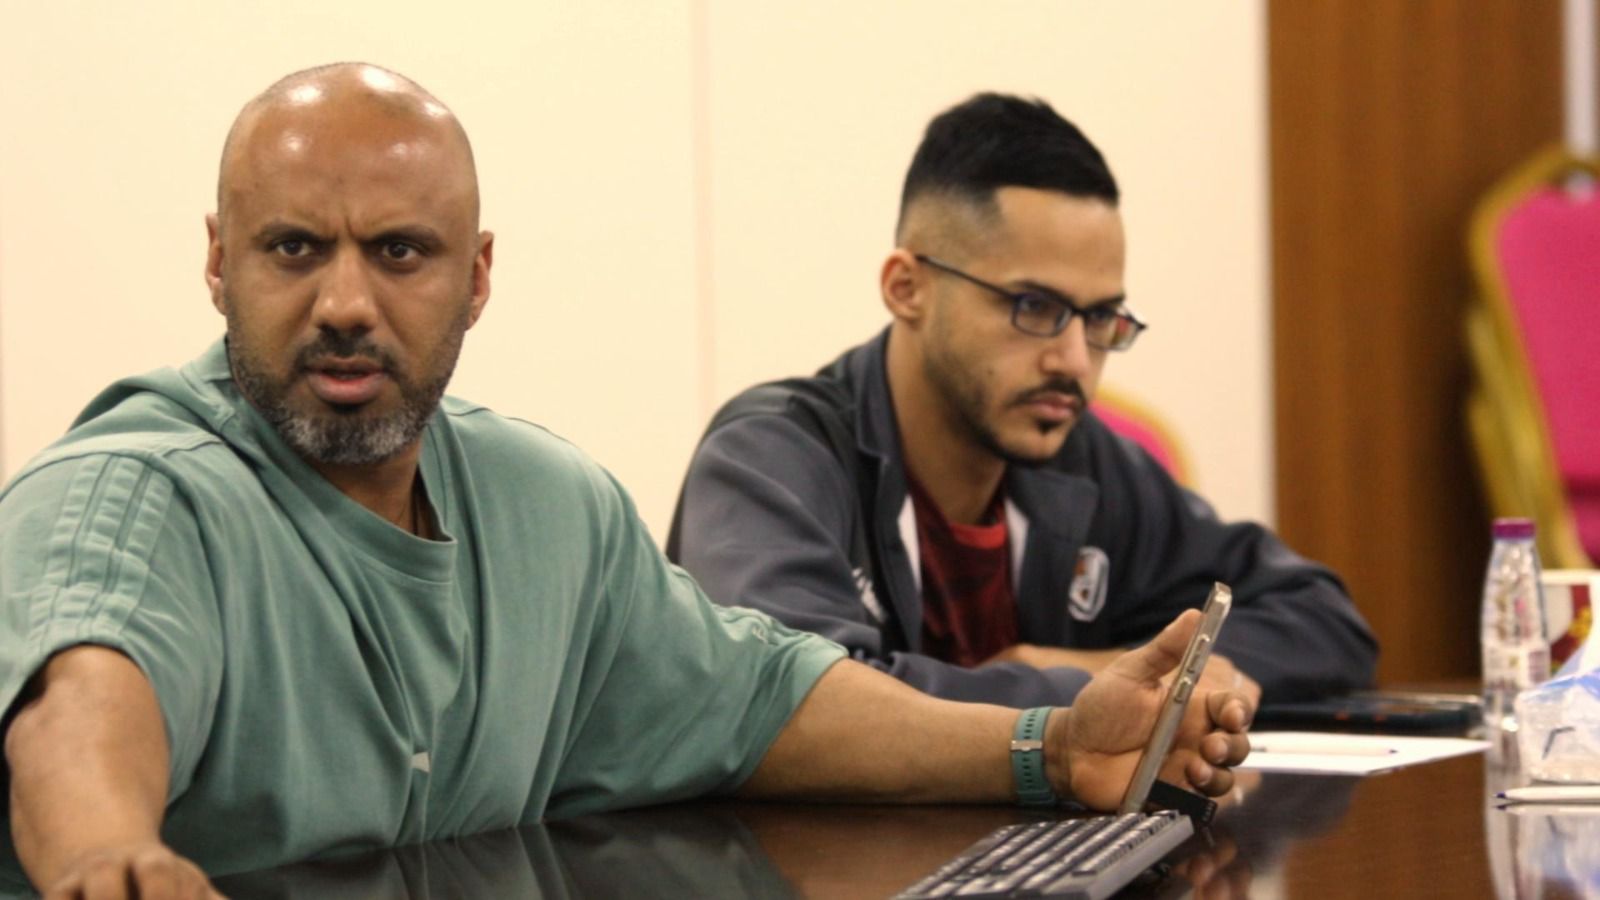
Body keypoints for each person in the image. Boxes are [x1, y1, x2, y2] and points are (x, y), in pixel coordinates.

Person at [0, 66, 1253, 898]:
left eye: (399, 253)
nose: (343, 302)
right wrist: (108, 857)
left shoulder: (544, 506)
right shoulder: (134, 494)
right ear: (217, 264)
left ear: (476, 277)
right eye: (291, 249)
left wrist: (1049, 747)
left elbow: (763, 701)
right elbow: (82, 706)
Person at [669, 93, 1377, 709]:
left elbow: (1322, 621)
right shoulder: (770, 459)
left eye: (1100, 318)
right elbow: (800, 702)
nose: (1074, 361)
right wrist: (1090, 692)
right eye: (1034, 306)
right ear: (906, 288)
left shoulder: (1084, 464)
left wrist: (1078, 669)